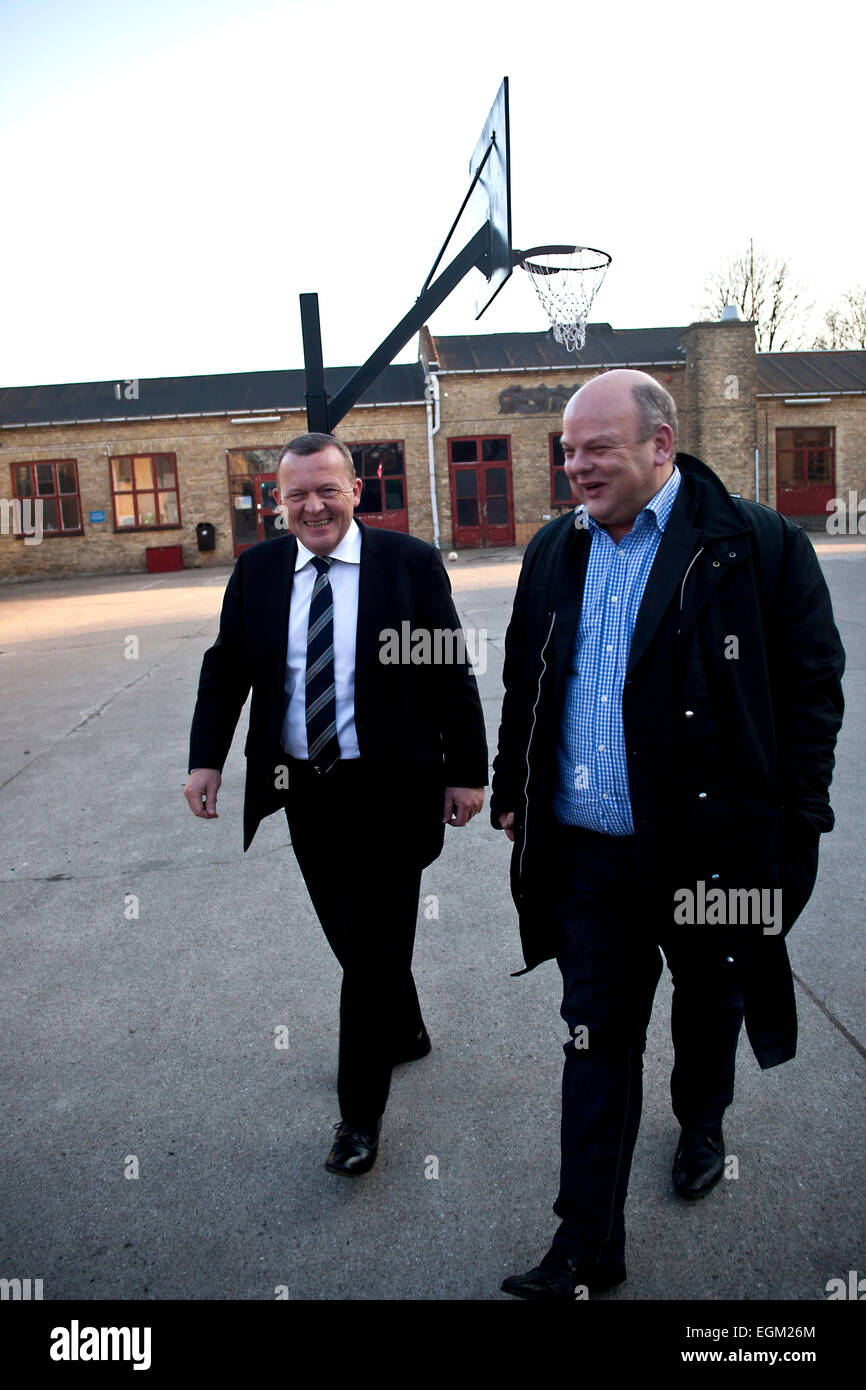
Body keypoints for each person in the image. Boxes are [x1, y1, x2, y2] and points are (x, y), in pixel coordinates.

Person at [491, 369, 844, 1298]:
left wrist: (802, 819)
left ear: (660, 443)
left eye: (596, 447)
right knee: (593, 1039)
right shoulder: (554, 552)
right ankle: (585, 1247)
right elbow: (525, 681)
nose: (576, 466)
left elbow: (814, 690)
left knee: (706, 1004)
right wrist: (510, 787)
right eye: (567, 450)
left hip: (710, 853)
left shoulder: (753, 545)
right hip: (588, 857)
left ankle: (702, 1119)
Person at [185, 432, 487, 1177]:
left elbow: (449, 671)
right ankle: (407, 1029)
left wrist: (467, 770)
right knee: (352, 939)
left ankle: (359, 1118)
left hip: (393, 788)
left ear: (358, 490)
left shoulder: (407, 566)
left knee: (372, 953)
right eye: (296, 493)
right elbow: (226, 670)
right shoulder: (256, 572)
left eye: (327, 489)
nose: (313, 505)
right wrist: (206, 760)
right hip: (304, 789)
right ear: (276, 501)